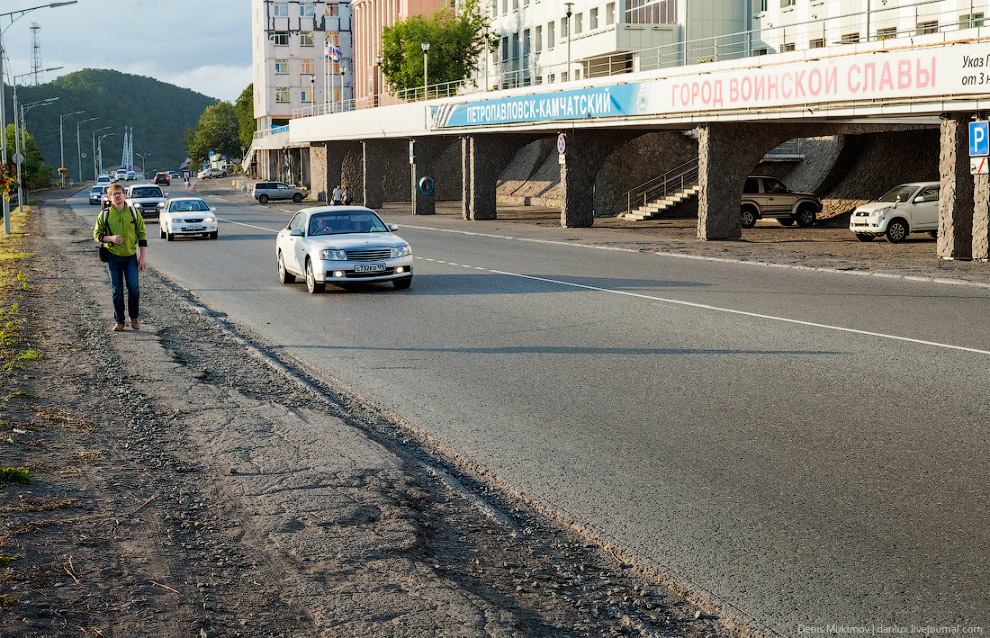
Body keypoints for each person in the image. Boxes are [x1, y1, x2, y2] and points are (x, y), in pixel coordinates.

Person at [94, 182, 147, 332]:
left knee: (133, 288)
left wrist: (142, 257)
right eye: (114, 194)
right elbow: (96, 235)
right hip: (112, 257)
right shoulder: (105, 214)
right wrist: (110, 238)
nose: (117, 196)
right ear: (110, 198)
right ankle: (119, 322)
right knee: (117, 290)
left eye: (119, 193)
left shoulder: (133, 212)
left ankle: (134, 318)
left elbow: (142, 234)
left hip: (130, 256)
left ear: (124, 195)